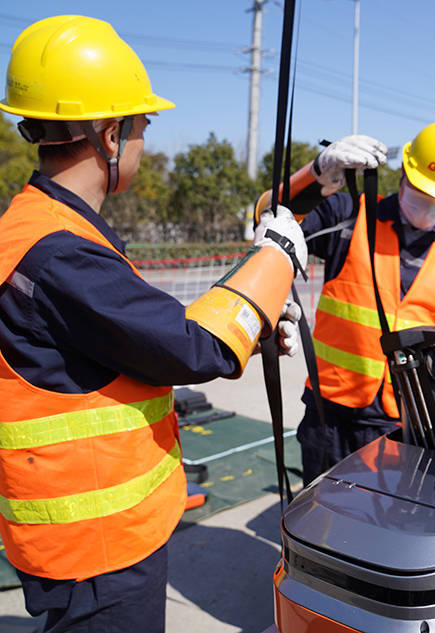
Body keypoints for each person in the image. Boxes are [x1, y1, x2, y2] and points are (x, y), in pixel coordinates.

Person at [0, 16, 306, 633]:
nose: (142, 140)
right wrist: (275, 259)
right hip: (97, 546)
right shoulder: (59, 252)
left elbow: (135, 333)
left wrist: (257, 320)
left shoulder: (42, 226)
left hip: (88, 538)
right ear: (110, 136)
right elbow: (196, 347)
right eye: (141, 126)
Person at [256, 118, 435, 484]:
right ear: (403, 174)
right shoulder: (352, 216)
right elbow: (270, 215)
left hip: (409, 421)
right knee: (324, 524)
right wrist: (317, 174)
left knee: (391, 532)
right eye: (421, 194)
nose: (428, 208)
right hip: (332, 417)